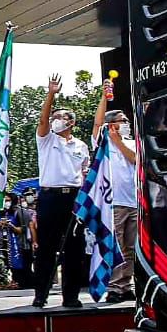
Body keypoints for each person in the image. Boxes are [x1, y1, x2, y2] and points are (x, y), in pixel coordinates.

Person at [33, 74, 91, 309]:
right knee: (46, 248)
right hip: (49, 196)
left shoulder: (81, 146)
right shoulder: (46, 140)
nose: (56, 120)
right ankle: (41, 294)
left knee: (74, 248)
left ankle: (71, 296)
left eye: (61, 117)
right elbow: (42, 120)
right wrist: (51, 94)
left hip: (73, 198)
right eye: (54, 117)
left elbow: (85, 173)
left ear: (71, 123)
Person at [94, 82, 139, 303]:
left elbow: (135, 160)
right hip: (114, 202)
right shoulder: (104, 142)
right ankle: (113, 287)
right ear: (112, 124)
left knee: (130, 247)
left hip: (134, 201)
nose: (127, 124)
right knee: (116, 246)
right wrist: (105, 97)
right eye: (123, 121)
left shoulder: (131, 142)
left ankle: (126, 284)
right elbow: (97, 123)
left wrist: (120, 142)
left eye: (127, 121)